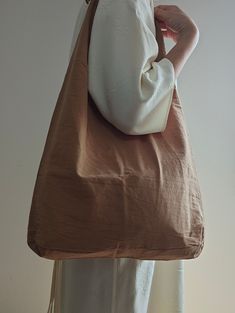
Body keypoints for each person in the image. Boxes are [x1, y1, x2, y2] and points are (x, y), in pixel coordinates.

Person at [47, 0, 200, 312]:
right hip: (123, 215)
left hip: (106, 213)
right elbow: (134, 107)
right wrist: (187, 41)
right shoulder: (122, 2)